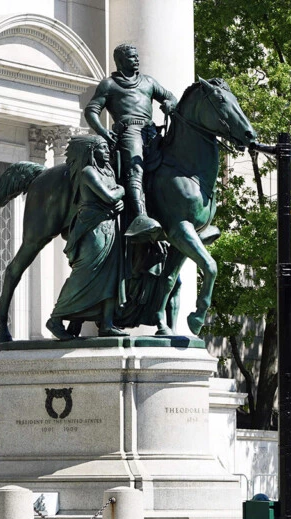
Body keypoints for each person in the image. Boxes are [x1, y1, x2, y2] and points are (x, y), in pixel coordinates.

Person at [84, 43, 177, 239]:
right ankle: (140, 217)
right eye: (132, 57)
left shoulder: (148, 82)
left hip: (151, 130)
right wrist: (102, 131)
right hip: (128, 130)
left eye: (137, 56)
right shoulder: (109, 85)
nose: (137, 59)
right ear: (120, 61)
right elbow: (91, 110)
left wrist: (169, 103)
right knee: (136, 167)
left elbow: (169, 97)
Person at [46, 135, 128, 339]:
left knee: (111, 274)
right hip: (92, 227)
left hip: (110, 225)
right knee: (85, 272)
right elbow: (109, 196)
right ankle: (56, 318)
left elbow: (113, 201)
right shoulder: (88, 172)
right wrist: (122, 190)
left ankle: (107, 323)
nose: (107, 151)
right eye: (102, 148)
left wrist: (119, 203)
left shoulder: (107, 172)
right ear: (91, 151)